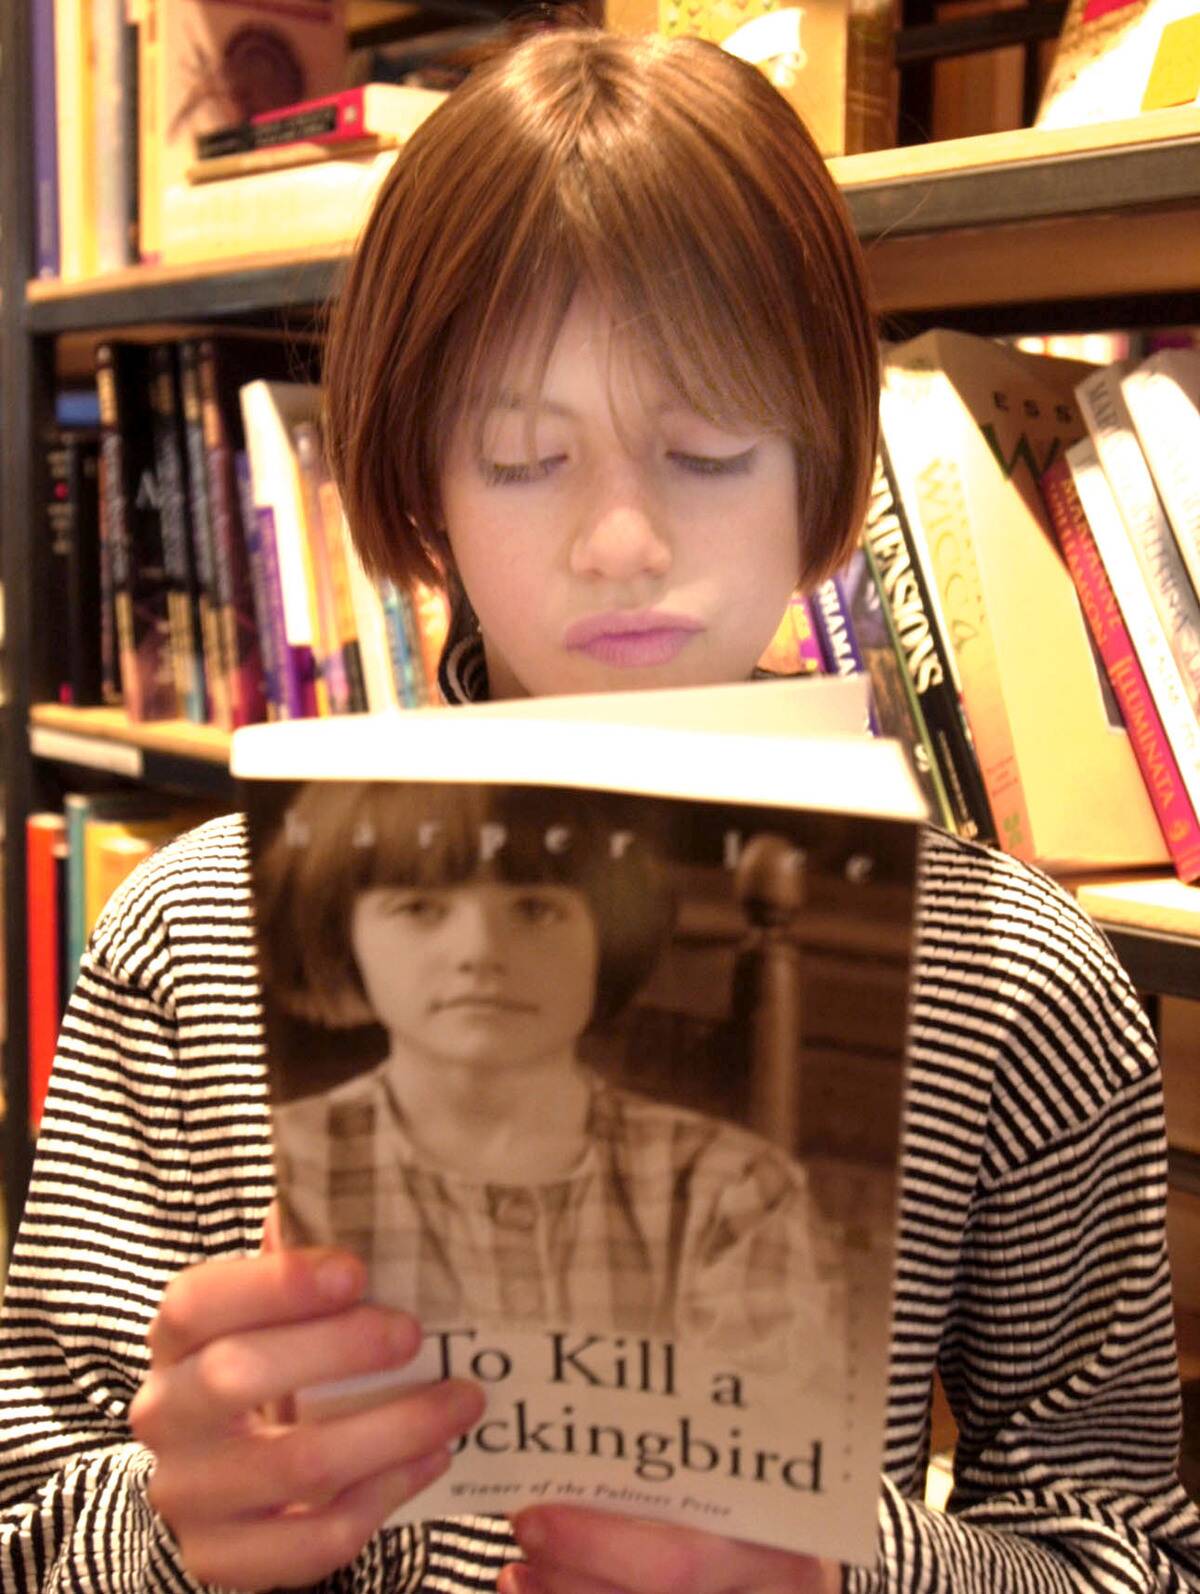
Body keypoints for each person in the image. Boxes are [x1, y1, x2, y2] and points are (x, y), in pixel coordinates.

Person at [1, 23, 1197, 1594]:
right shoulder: (191, 933)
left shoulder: (1013, 974)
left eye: (707, 449)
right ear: (421, 491)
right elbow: (28, 1519)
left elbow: (1125, 1551)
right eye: (522, 455)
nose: (621, 539)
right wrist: (173, 1525)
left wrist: (839, 1564)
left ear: (822, 479)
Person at [256, 779, 824, 1359]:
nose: (479, 952)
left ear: (609, 936)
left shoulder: (732, 1188)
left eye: (535, 909)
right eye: (420, 908)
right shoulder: (276, 1172)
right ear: (341, 932)